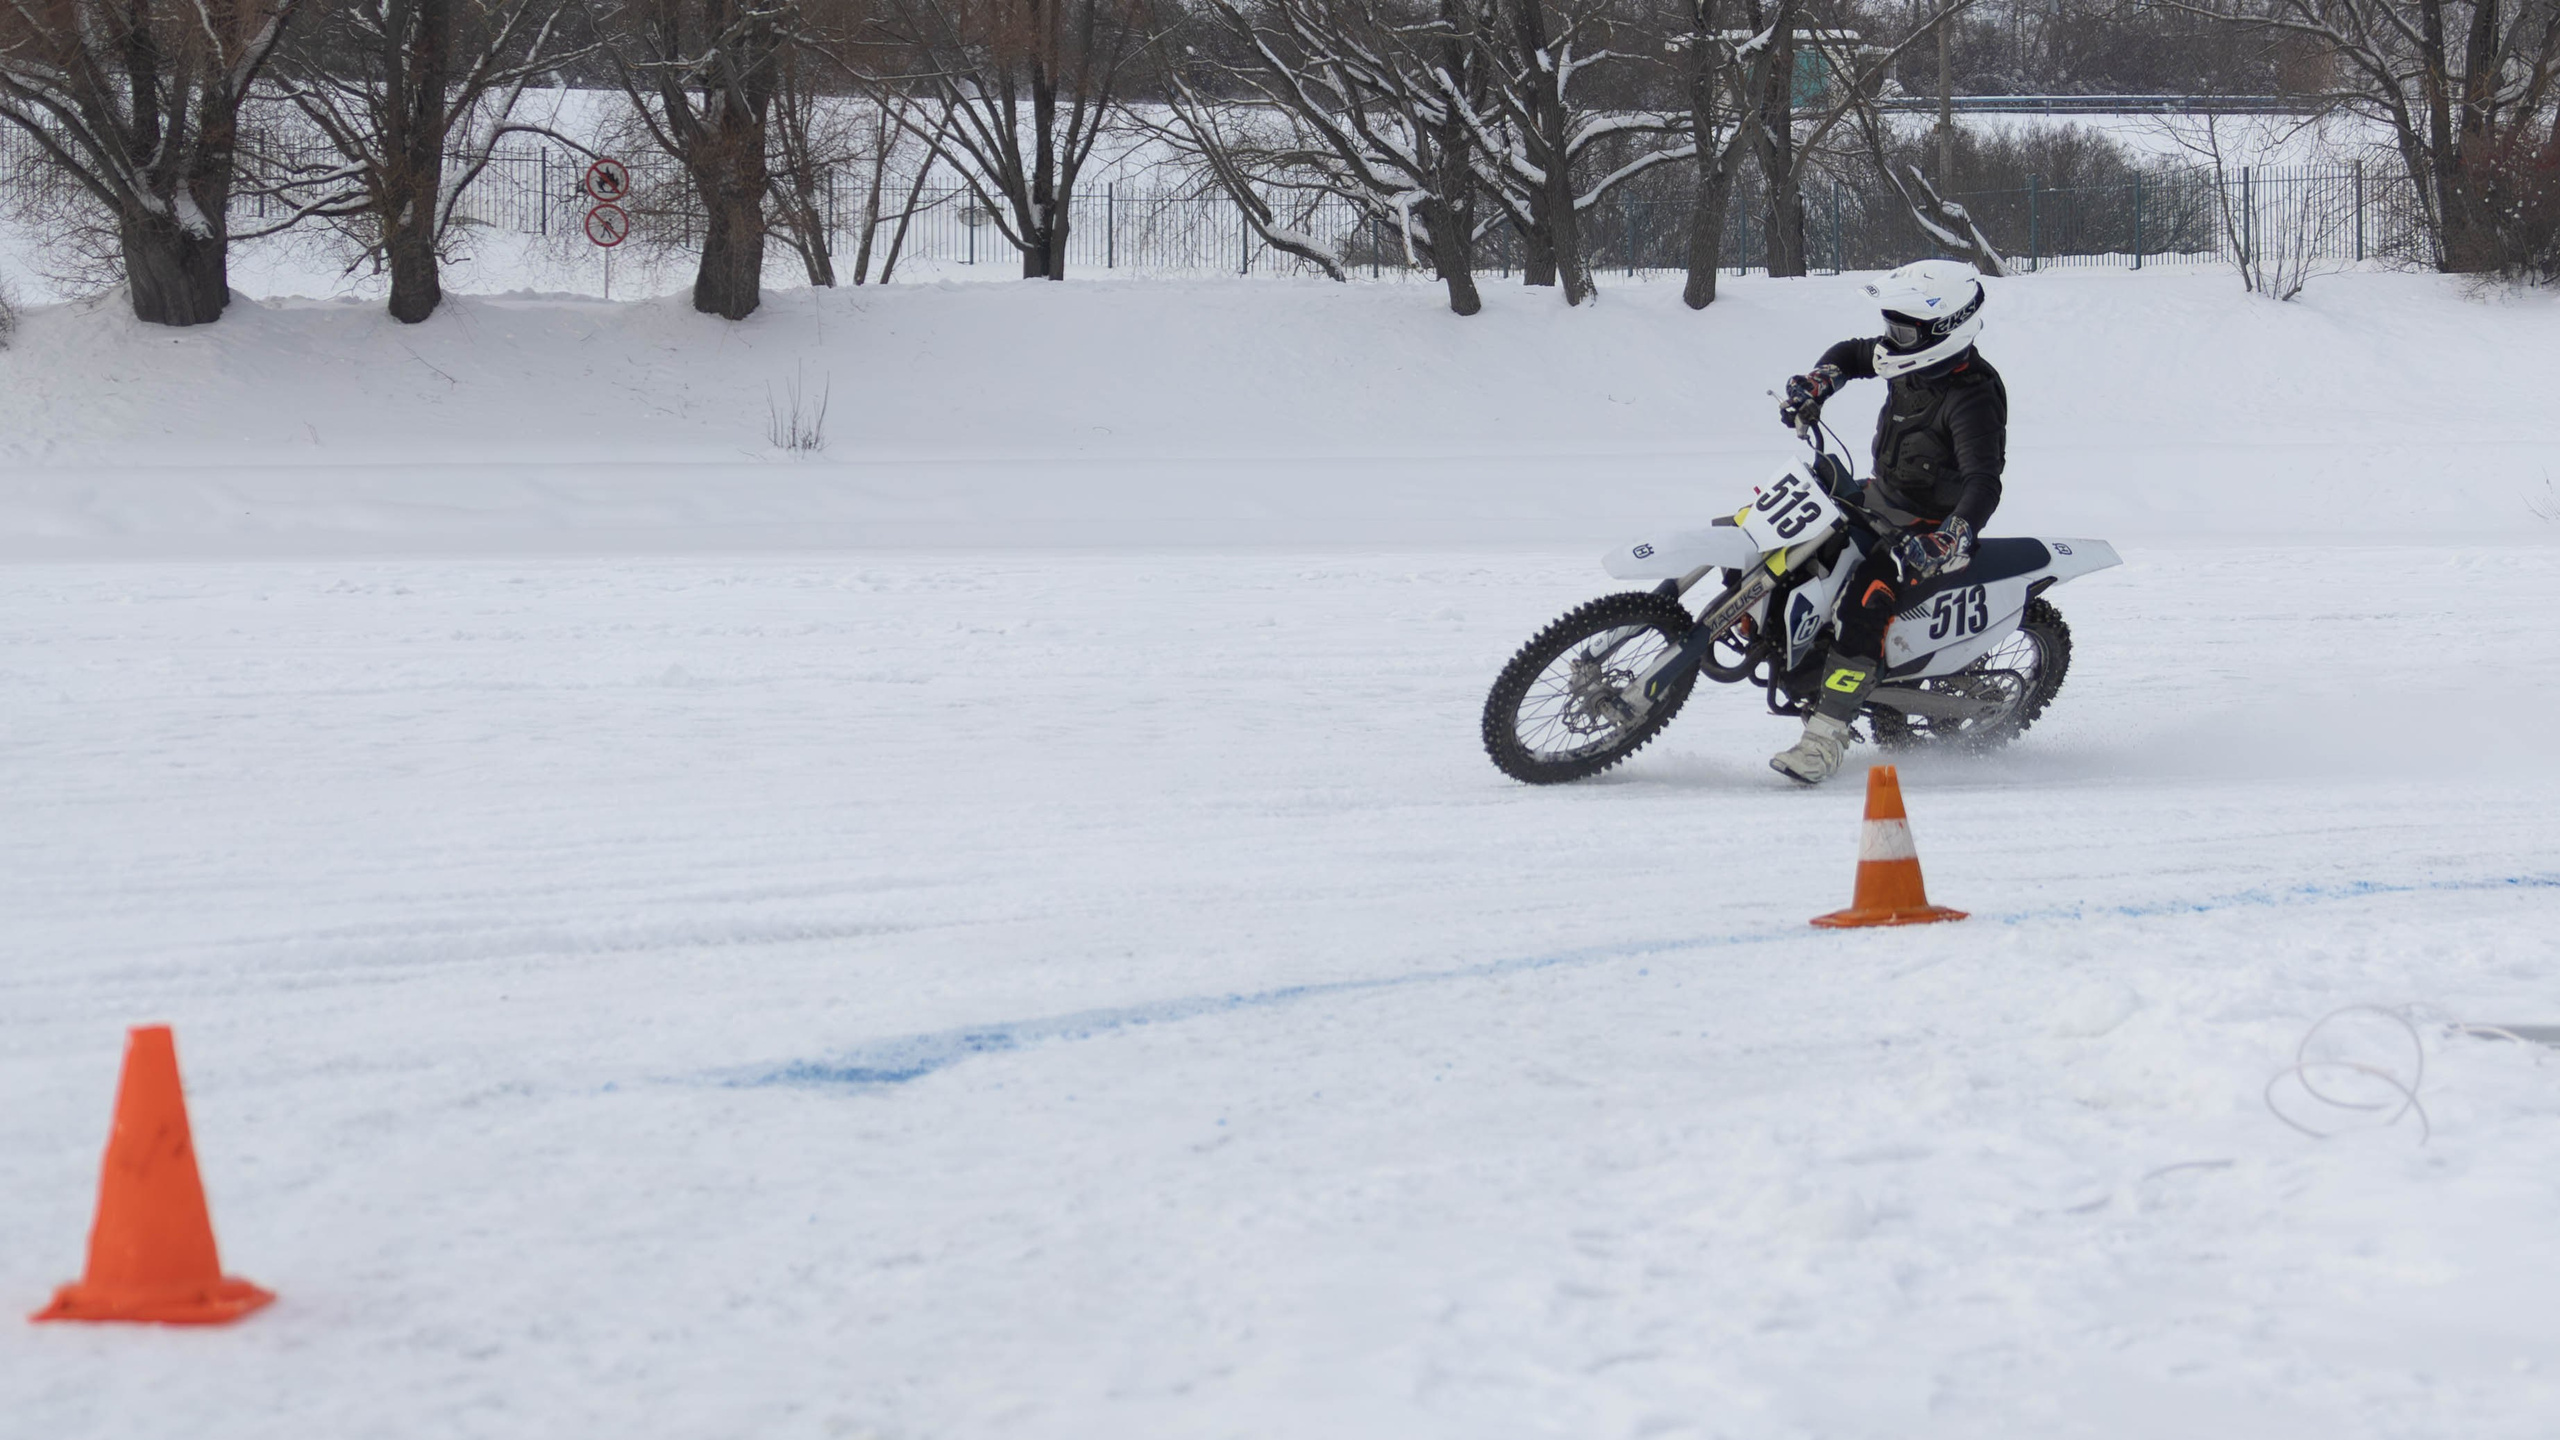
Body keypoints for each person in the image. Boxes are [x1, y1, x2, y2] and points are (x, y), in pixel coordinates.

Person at [1768, 259, 2007, 785]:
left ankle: (1825, 737)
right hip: (1879, 498)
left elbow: (1983, 482)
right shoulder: (1908, 360)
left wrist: (1952, 536)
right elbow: (1851, 355)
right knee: (1786, 539)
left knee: (1864, 597)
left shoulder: (1973, 398)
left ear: (1946, 330)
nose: (1889, 338)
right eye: (1889, 324)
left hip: (1925, 530)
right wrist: (1817, 384)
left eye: (1901, 328)